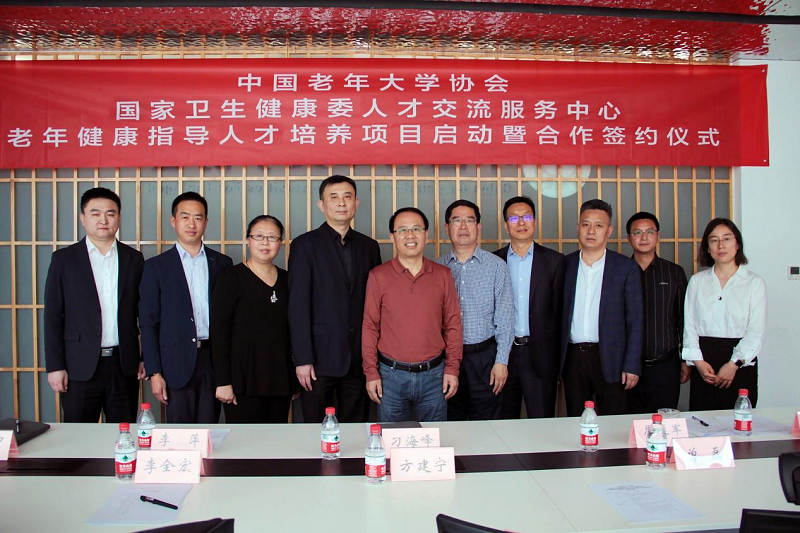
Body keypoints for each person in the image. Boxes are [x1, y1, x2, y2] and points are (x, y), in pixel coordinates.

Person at [44, 187, 144, 423]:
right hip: (79, 366)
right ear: (83, 218)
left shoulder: (134, 258)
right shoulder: (64, 259)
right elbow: (53, 316)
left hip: (123, 364)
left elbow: (146, 312)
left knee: (123, 433)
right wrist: (55, 366)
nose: (103, 220)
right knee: (78, 435)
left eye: (110, 213)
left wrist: (145, 357)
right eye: (95, 213)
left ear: (118, 218)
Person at [288, 175, 382, 423]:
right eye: (334, 197)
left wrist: (372, 359)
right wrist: (303, 359)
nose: (342, 203)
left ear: (356, 203)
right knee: (316, 428)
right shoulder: (304, 245)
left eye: (347, 197)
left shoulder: (369, 247)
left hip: (358, 358)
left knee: (356, 426)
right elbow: (298, 307)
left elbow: (375, 305)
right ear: (321, 205)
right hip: (318, 359)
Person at [139, 191, 233, 423]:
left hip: (213, 359)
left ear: (206, 222)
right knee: (179, 433)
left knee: (210, 430)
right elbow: (149, 323)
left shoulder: (222, 263)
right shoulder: (156, 267)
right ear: (173, 221)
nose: (192, 224)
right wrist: (154, 372)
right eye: (185, 217)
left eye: (198, 217)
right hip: (175, 362)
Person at [362, 207, 462, 422]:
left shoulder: (443, 275)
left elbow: (453, 324)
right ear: (392, 237)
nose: (410, 235)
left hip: (434, 376)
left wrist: (452, 369)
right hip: (390, 377)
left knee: (433, 438)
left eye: (416, 229)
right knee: (392, 439)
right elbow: (370, 326)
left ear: (426, 235)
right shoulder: (378, 276)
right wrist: (371, 372)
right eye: (402, 230)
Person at [560, 199, 643, 416]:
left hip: (612, 358)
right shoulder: (565, 265)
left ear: (609, 230)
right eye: (586, 224)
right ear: (578, 228)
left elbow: (635, 321)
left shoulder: (625, 267)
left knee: (613, 421)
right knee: (576, 420)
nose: (591, 231)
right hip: (573, 357)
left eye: (598, 225)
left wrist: (632, 364)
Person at [211, 216, 296, 423]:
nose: (265, 242)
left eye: (272, 237)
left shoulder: (288, 280)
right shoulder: (231, 278)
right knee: (244, 440)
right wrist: (223, 381)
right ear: (248, 240)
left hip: (280, 379)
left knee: (276, 439)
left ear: (280, 243)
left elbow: (294, 332)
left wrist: (292, 380)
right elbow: (219, 333)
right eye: (259, 236)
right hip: (242, 381)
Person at [435, 199, 512, 421]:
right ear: (447, 228)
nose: (463, 226)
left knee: (486, 423)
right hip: (447, 358)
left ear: (478, 227)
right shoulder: (437, 268)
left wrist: (501, 361)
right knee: (451, 420)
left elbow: (505, 317)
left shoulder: (496, 266)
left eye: (469, 220)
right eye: (456, 221)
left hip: (484, 357)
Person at [683, 218, 766, 410]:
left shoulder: (754, 283)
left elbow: (755, 331)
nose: (721, 245)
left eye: (727, 239)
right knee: (701, 421)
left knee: (739, 421)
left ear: (737, 244)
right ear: (708, 247)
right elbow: (690, 325)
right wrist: (698, 362)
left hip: (740, 363)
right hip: (704, 363)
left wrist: (734, 364)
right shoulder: (697, 281)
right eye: (714, 240)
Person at [493, 196, 565, 419]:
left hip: (541, 355)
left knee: (542, 422)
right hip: (504, 355)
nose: (521, 222)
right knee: (504, 422)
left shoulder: (555, 262)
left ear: (535, 222)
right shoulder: (494, 261)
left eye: (527, 217)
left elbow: (561, 314)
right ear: (506, 225)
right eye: (514, 218)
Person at [625, 212, 689, 414]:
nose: (644, 237)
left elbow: (683, 319)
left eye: (649, 232)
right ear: (628, 238)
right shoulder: (619, 271)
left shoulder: (674, 272)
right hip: (627, 366)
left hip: (665, 365)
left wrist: (685, 360)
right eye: (637, 232)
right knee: (627, 424)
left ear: (658, 236)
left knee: (663, 422)